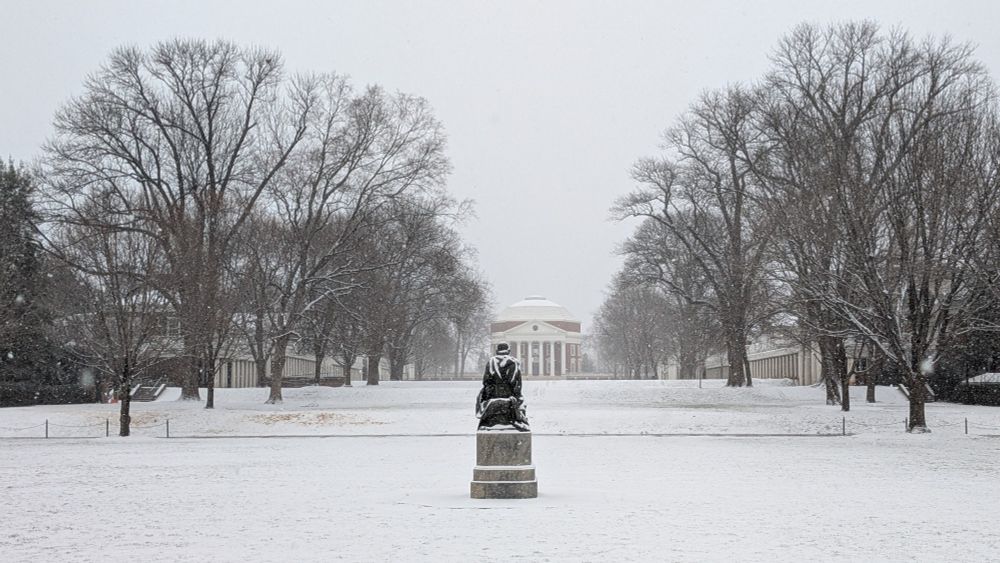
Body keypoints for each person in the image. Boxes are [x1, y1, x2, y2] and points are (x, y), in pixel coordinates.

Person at [476, 342, 530, 431]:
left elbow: (486, 381)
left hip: (494, 393)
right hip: (509, 394)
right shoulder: (514, 362)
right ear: (508, 351)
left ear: (497, 350)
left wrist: (488, 394)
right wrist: (517, 396)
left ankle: (491, 422)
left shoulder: (491, 361)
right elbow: (517, 382)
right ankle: (513, 421)